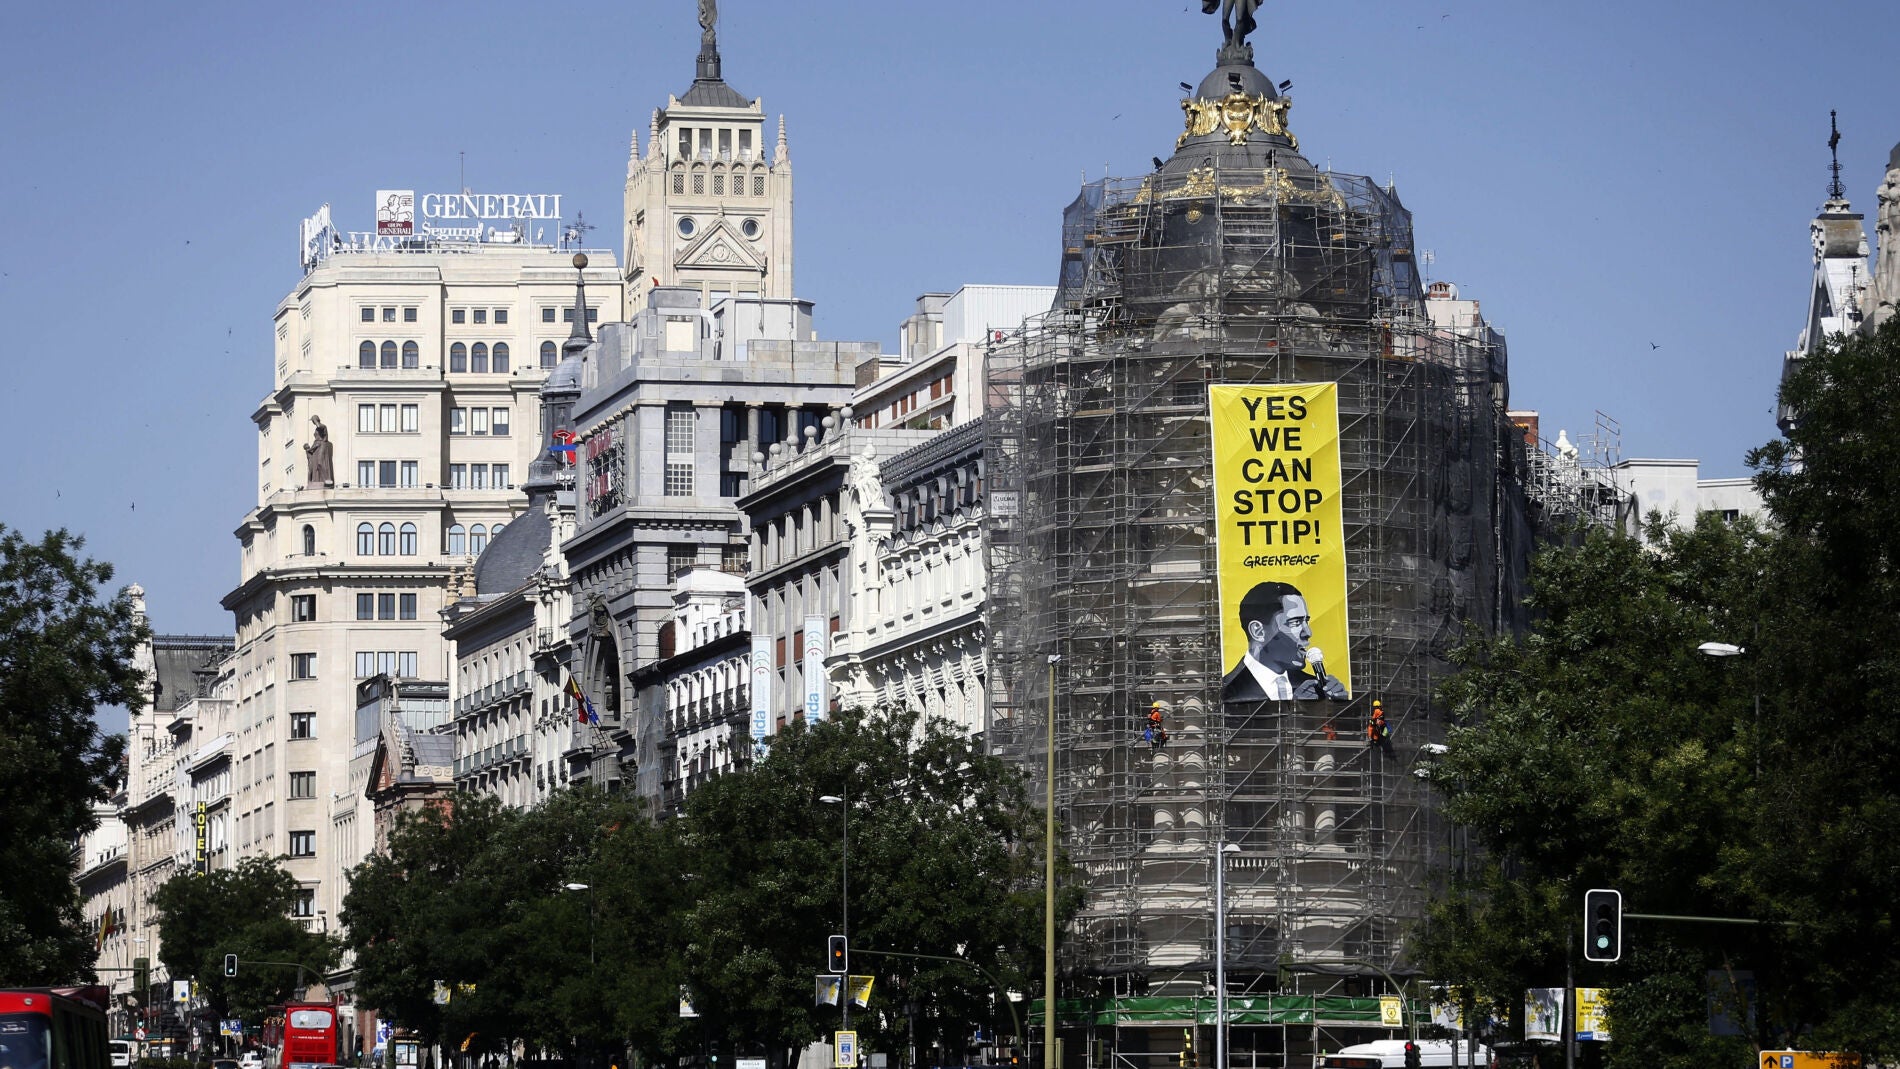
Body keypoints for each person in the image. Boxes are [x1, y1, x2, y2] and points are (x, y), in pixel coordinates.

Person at [1221, 580, 1348, 701]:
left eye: (1306, 621)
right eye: (1295, 623)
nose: (1308, 632)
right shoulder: (1225, 690)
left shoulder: (1314, 687)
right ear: (1258, 632)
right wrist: (1295, 709)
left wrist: (1336, 707)